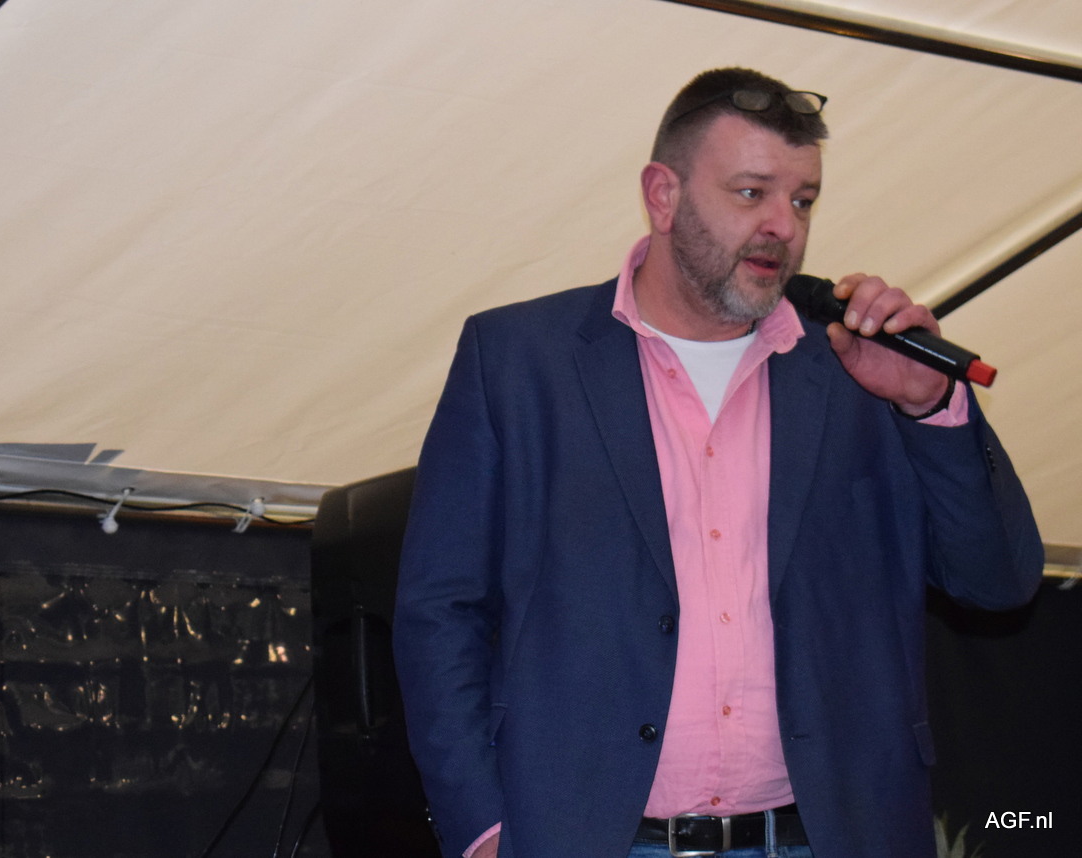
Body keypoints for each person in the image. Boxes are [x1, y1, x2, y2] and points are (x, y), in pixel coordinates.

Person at [391, 67, 1043, 858]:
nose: (782, 226)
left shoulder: (857, 368)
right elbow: (440, 612)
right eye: (751, 193)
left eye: (803, 200)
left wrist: (929, 406)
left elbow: (997, 582)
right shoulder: (518, 359)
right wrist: (482, 828)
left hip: (825, 834)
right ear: (662, 196)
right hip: (586, 836)